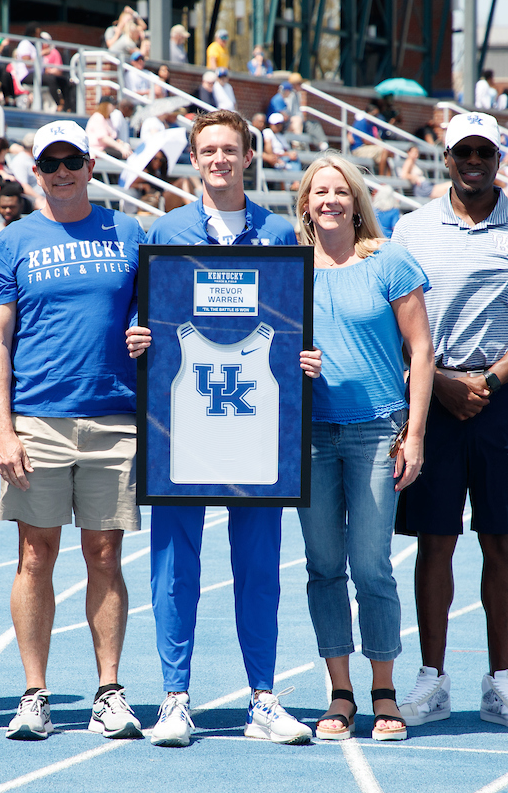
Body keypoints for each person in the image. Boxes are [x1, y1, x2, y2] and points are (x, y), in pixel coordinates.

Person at [128, 109, 317, 748]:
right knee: (174, 564)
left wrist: (305, 355)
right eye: (208, 150)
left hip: (257, 423)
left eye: (230, 149)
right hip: (182, 425)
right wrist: (139, 338)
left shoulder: (280, 231)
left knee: (259, 565)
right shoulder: (166, 230)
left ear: (248, 156)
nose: (219, 160)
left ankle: (263, 697)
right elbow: (143, 317)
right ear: (194, 157)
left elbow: (295, 321)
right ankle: (175, 697)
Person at [391, 112, 508, 731]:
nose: (473, 160)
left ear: (500, 158)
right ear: (445, 157)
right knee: (433, 539)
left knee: (501, 539)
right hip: (429, 396)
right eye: (462, 151)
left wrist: (485, 383)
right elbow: (396, 319)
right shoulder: (409, 230)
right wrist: (439, 382)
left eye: (483, 151)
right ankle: (432, 679)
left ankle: (501, 682)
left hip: (504, 397)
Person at [0, 120, 146, 742]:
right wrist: (5, 429)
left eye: (71, 160)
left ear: (89, 162)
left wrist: (144, 334)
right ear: (37, 173)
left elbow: (153, 313)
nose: (61, 172)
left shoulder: (127, 232)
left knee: (105, 554)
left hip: (113, 416)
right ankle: (36, 693)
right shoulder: (13, 240)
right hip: (38, 419)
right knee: (35, 555)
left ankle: (108, 690)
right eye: (49, 164)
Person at [295, 154, 433, 742]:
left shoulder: (390, 261)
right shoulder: (290, 268)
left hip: (379, 430)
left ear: (357, 201)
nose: (330, 200)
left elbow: (422, 352)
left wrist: (417, 434)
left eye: (340, 191)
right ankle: (340, 692)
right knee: (323, 566)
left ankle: (384, 690)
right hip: (309, 436)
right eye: (319, 192)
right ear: (304, 203)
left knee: (371, 565)